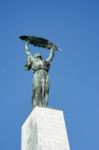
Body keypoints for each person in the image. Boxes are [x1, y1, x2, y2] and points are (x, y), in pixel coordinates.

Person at [24, 41, 55, 109]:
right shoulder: (34, 60)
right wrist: (26, 45)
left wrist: (52, 49)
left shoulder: (45, 61)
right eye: (37, 55)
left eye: (39, 55)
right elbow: (28, 52)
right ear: (35, 57)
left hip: (45, 74)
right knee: (38, 89)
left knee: (46, 90)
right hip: (37, 73)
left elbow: (51, 57)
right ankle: (37, 104)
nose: (38, 55)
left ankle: (44, 105)